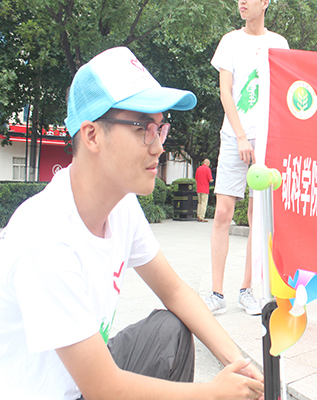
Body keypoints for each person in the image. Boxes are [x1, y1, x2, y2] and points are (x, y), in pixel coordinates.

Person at [0, 46, 264, 400]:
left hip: (86, 382)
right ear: (92, 135)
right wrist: (212, 393)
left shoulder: (121, 206)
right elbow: (103, 388)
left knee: (168, 330)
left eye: (160, 128)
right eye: (143, 128)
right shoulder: (45, 235)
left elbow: (174, 291)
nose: (158, 147)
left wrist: (239, 364)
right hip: (61, 392)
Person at [205, 0, 289, 315]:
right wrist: (240, 135)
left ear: (265, 3)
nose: (242, 2)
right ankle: (216, 293)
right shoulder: (230, 41)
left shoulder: (279, 44)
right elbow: (225, 92)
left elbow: (283, 92)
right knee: (222, 213)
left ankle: (247, 289)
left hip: (266, 139)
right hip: (233, 136)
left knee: (257, 216)